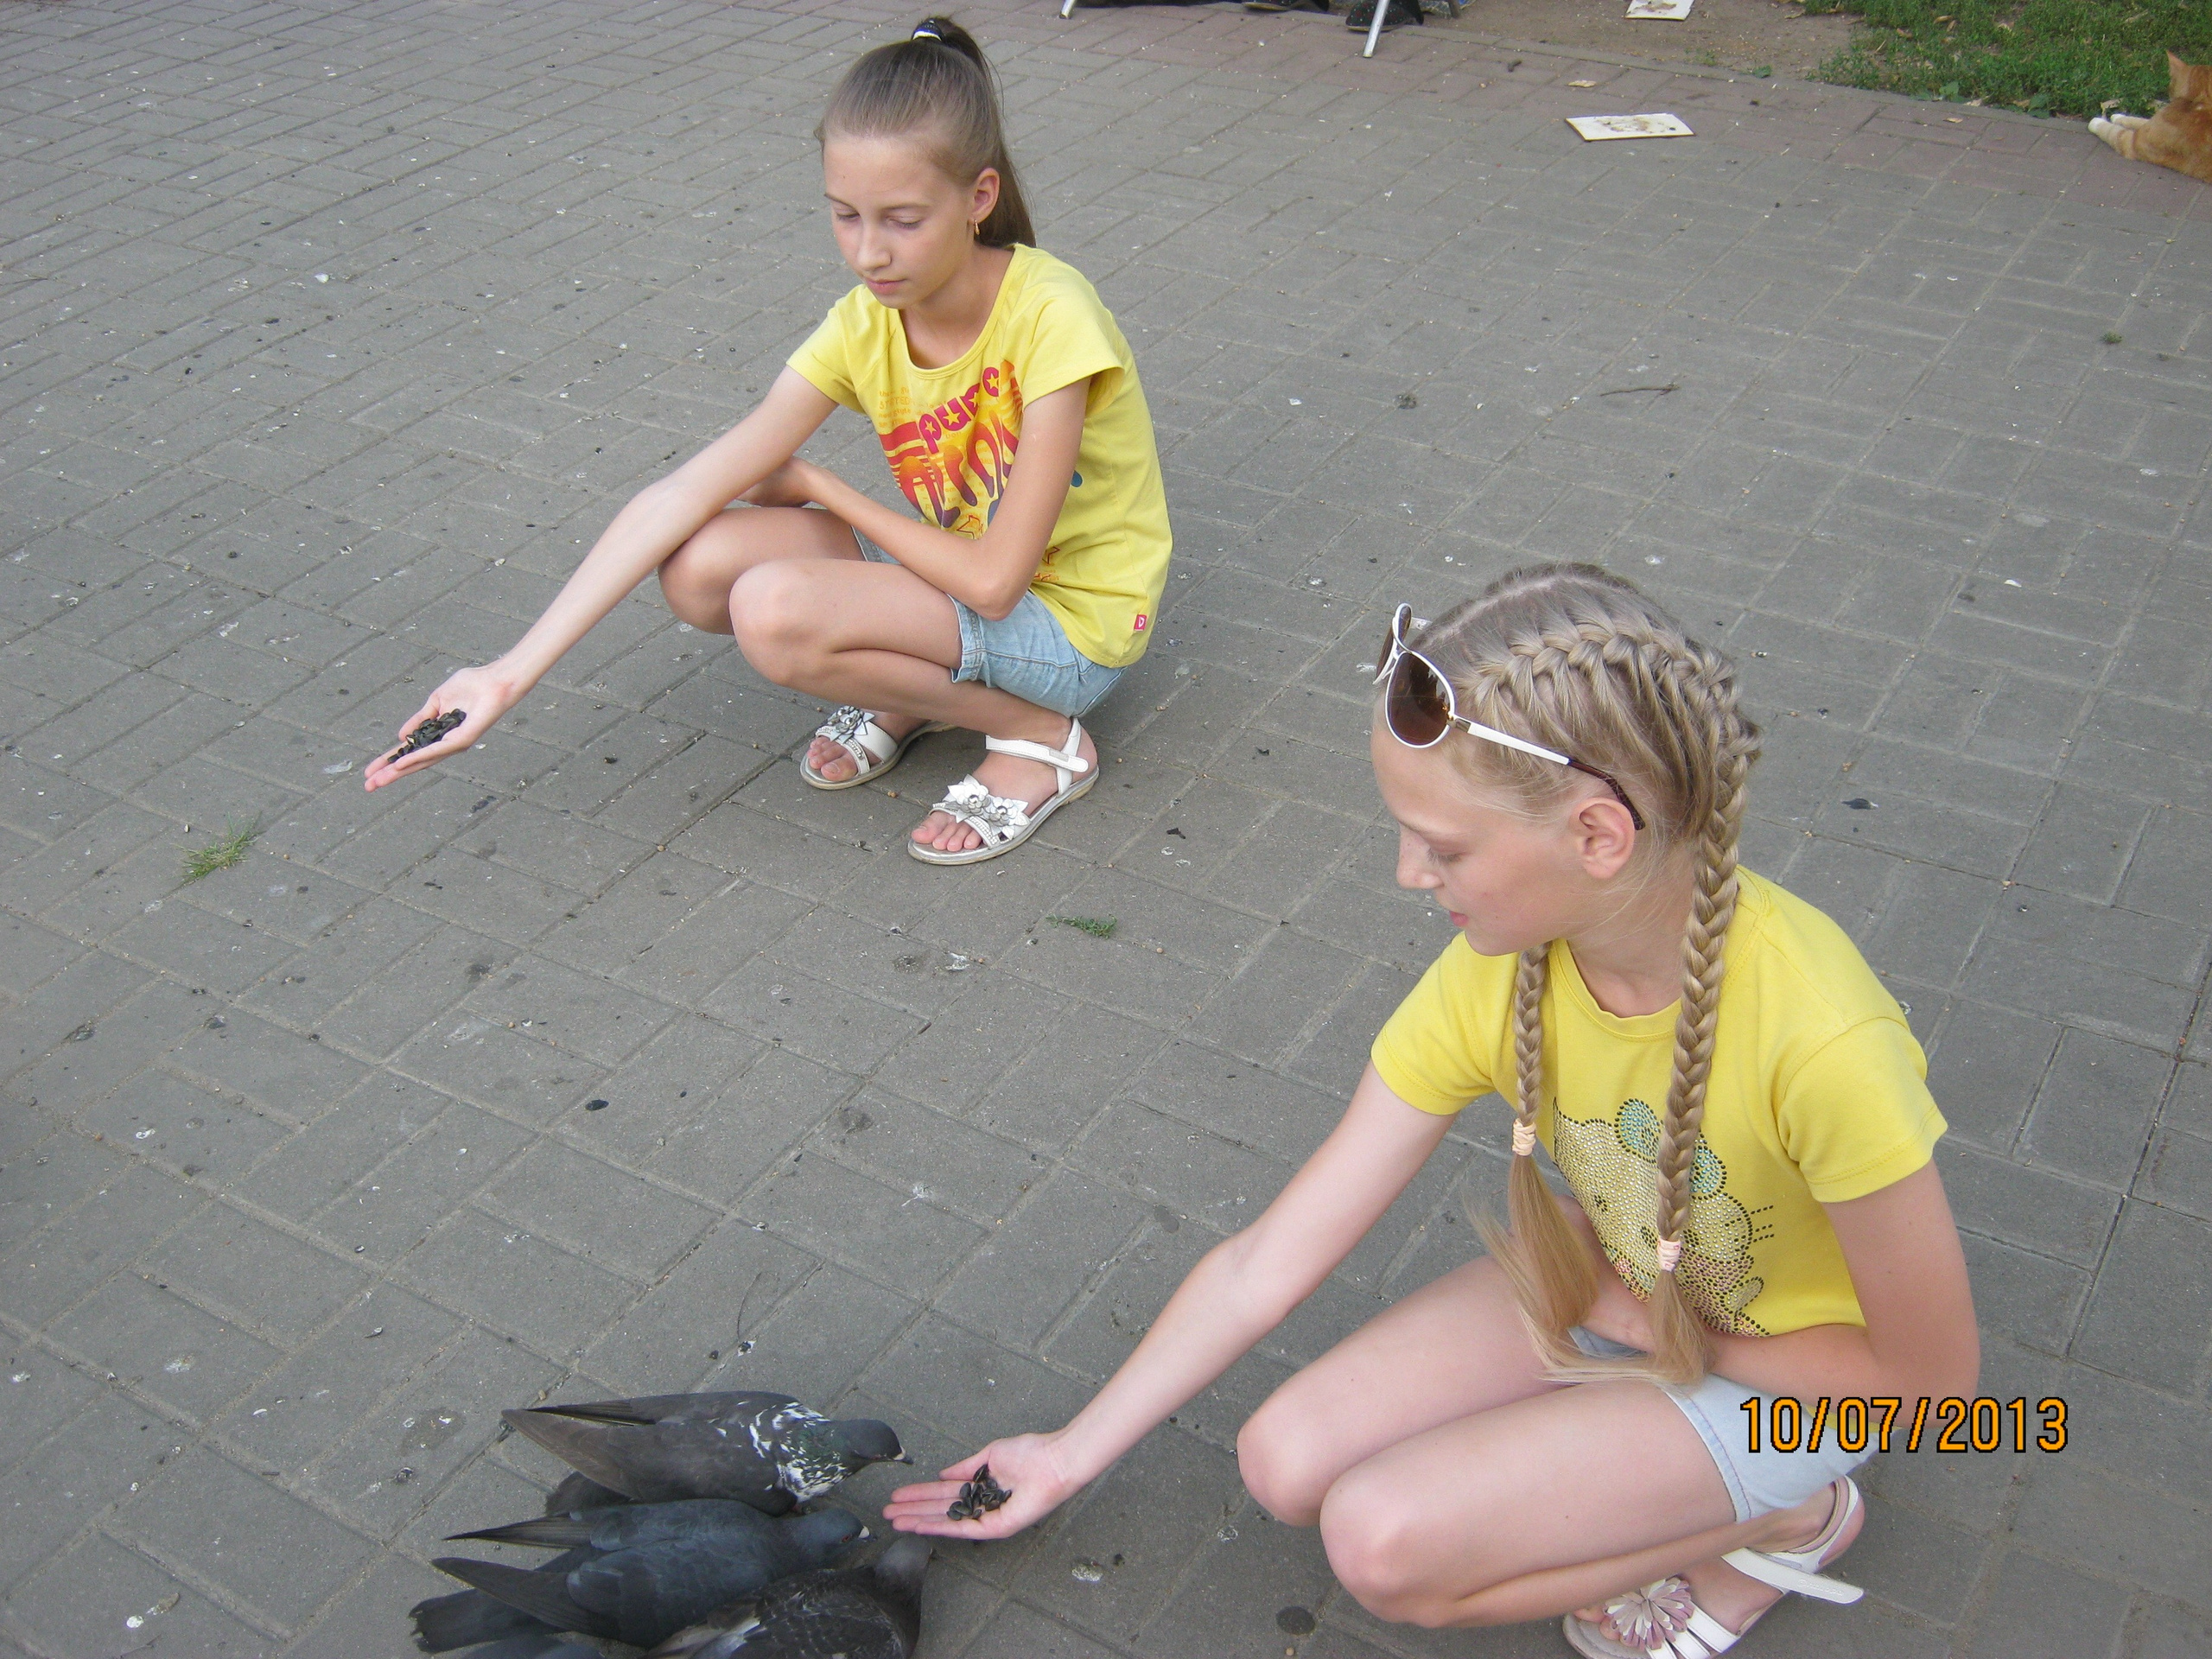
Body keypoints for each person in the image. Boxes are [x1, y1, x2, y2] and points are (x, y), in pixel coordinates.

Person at [885, 564, 1980, 1658]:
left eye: (1444, 846)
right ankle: (1646, 1449)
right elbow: (1269, 1256)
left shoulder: (1823, 1044)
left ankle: (1789, 1517)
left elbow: (1931, 1393)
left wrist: (1663, 1329)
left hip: (1796, 1379)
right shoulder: (1499, 968)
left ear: (1599, 836)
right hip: (1619, 1283)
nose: (1410, 876)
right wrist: (1071, 1452)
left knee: (1381, 1546)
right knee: (1281, 1460)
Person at [365, 17, 1172, 866]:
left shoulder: (1052, 316)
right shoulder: (866, 325)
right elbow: (681, 494)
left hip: (1072, 625)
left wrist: (826, 488)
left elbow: (995, 582)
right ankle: (926, 688)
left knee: (773, 610)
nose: (869, 253)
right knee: (701, 564)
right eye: (844, 216)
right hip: (958, 581)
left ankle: (1037, 734)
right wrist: (507, 672)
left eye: (902, 220)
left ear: (978, 199)